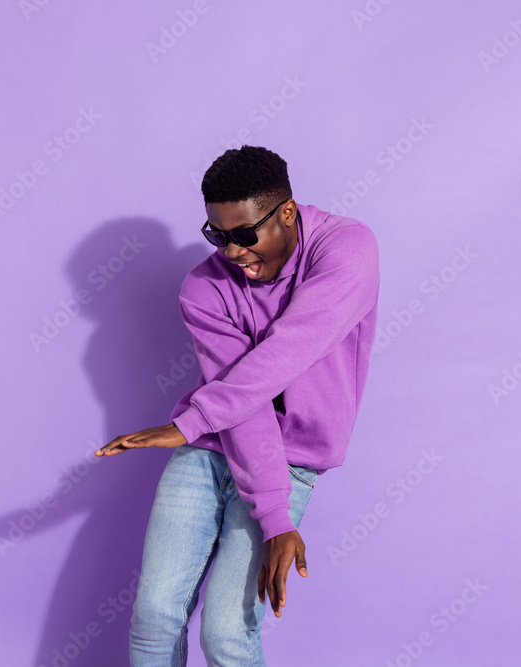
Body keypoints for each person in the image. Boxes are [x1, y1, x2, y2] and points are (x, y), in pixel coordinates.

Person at [94, 144, 380, 666]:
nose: (231, 251)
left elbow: (286, 353)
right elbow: (244, 398)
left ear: (286, 213)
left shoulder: (347, 249)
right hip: (207, 452)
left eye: (245, 235)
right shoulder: (204, 288)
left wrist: (273, 513)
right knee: (154, 617)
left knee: (226, 633)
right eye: (218, 235)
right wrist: (198, 429)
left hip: (287, 463)